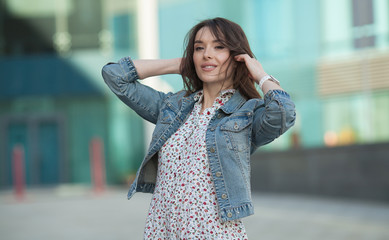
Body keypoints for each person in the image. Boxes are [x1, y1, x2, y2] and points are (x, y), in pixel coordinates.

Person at [102, 17, 295, 239]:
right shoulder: (173, 107)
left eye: (219, 47)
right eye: (199, 48)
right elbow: (114, 76)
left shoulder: (246, 113)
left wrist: (260, 75)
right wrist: (178, 65)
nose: (207, 54)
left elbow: (284, 112)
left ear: (238, 57)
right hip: (162, 231)